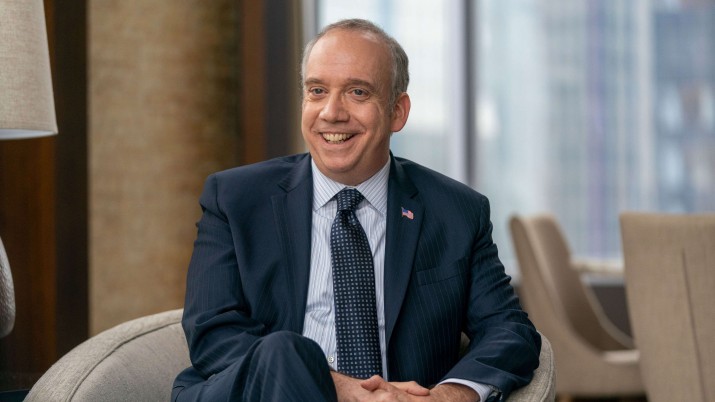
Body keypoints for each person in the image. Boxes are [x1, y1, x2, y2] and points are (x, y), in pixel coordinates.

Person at [172, 18, 540, 402]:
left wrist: (445, 397)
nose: (331, 112)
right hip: (255, 393)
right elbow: (212, 332)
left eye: (358, 92)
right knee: (284, 351)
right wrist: (345, 390)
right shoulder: (234, 198)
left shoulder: (457, 212)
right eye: (317, 91)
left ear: (397, 111)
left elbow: (509, 330)